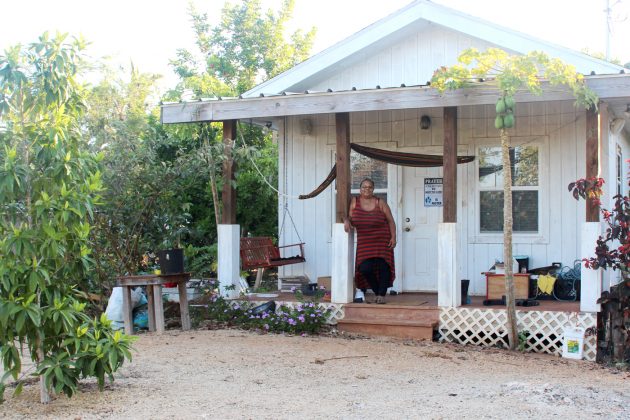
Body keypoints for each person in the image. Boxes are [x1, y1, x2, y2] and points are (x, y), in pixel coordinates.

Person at [343, 178, 396, 304]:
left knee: (384, 267)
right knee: (365, 268)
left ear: (373, 189)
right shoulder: (354, 201)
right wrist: (346, 220)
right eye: (364, 187)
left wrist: (393, 237)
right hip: (365, 240)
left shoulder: (380, 202)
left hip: (382, 239)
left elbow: (390, 220)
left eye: (370, 187)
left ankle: (381, 295)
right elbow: (350, 217)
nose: (367, 189)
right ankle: (377, 291)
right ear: (360, 189)